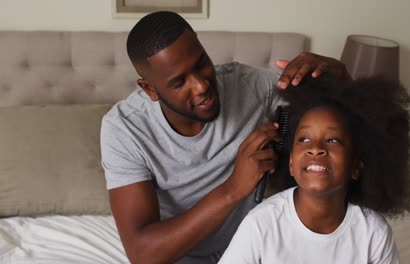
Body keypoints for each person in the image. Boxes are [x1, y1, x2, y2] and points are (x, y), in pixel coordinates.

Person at [100, 11, 349, 264]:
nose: (201, 86)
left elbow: (342, 119)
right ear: (150, 89)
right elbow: (143, 254)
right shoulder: (124, 129)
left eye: (200, 64)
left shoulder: (250, 86)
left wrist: (337, 73)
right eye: (179, 82)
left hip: (257, 249)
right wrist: (233, 188)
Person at [218, 76, 410, 264]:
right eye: (304, 139)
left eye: (332, 140)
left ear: (356, 166)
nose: (316, 148)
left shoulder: (373, 233)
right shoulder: (261, 224)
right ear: (291, 163)